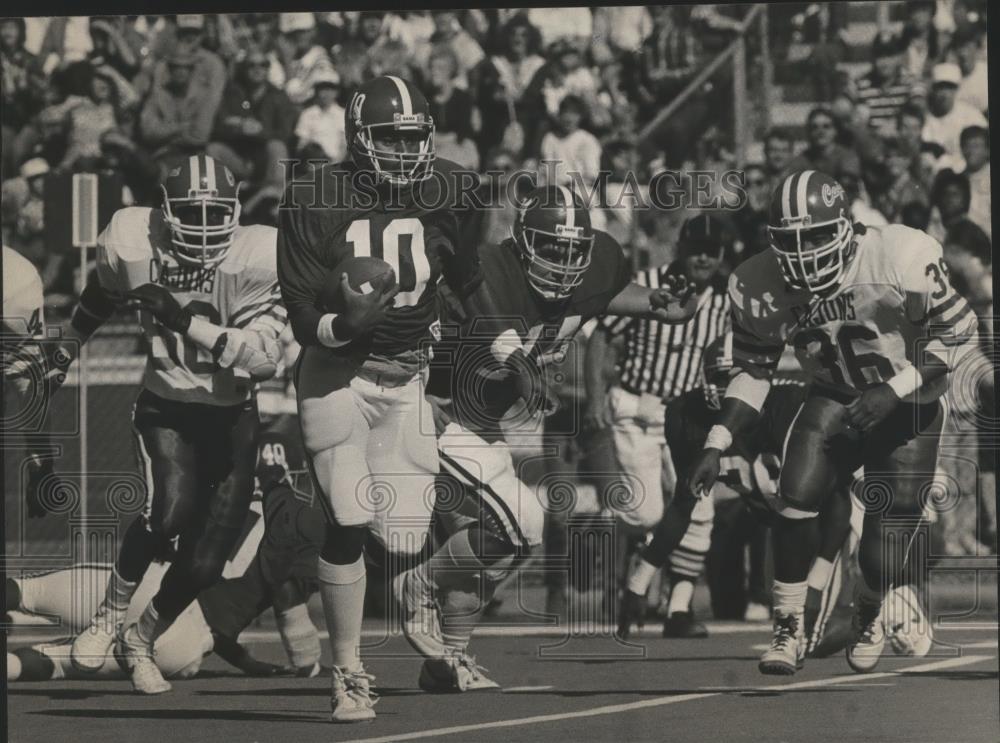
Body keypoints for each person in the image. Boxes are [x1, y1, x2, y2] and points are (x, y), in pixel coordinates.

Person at [393, 185, 698, 691]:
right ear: (522, 241)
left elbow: (597, 296)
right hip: (435, 409)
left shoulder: (595, 266)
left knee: (501, 544)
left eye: (574, 250)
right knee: (520, 522)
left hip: (482, 425)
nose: (563, 261)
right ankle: (418, 587)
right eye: (552, 249)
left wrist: (655, 305)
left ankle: (447, 660)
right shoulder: (486, 273)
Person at [15, 154, 287, 695]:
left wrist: (185, 320)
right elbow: (102, 292)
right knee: (166, 514)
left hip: (232, 412)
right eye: (193, 212)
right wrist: (69, 348)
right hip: (166, 403)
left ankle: (140, 638)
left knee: (206, 564)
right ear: (166, 211)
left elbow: (263, 360)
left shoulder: (260, 256)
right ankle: (105, 621)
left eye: (217, 214)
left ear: (236, 212)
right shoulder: (133, 241)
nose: (207, 227)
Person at [686, 169, 976, 675]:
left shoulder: (899, 254)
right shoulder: (756, 280)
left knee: (884, 554)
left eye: (816, 235)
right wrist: (718, 439)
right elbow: (754, 371)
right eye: (789, 240)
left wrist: (894, 389)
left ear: (846, 226)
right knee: (793, 497)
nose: (803, 251)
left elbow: (954, 338)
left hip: (911, 402)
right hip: (836, 394)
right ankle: (788, 625)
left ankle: (868, 605)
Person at [276, 74, 482, 723]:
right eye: (389, 138)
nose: (403, 150)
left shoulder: (451, 188)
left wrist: (472, 361)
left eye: (412, 137)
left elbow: (467, 284)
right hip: (337, 372)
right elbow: (303, 310)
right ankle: (348, 671)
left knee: (404, 532)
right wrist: (349, 323)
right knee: (348, 512)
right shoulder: (316, 193)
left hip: (407, 378)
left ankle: (291, 549)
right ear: (360, 138)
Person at [7, 419, 325, 683]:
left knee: (27, 591)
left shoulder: (217, 499)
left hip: (154, 589)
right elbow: (263, 601)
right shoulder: (297, 520)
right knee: (59, 662)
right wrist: (306, 663)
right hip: (184, 646)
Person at [616, 333, 856, 658]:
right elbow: (683, 505)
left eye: (734, 379)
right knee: (805, 636)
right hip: (780, 524)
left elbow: (840, 499)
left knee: (836, 624)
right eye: (718, 377)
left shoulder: (787, 406)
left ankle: (886, 608)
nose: (725, 388)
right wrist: (639, 581)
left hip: (834, 525)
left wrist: (820, 575)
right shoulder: (686, 415)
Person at [584, 214, 732, 635]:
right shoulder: (649, 281)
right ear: (681, 248)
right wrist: (595, 397)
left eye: (712, 250)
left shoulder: (724, 299)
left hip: (688, 414)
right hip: (640, 409)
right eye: (696, 248)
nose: (703, 257)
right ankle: (641, 569)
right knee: (645, 512)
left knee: (699, 510)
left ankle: (678, 609)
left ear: (721, 255)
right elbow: (601, 335)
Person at [921, 62, 987, 174]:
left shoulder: (972, 116)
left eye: (949, 88)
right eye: (940, 88)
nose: (944, 93)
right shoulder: (926, 118)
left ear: (956, 89)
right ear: (933, 90)